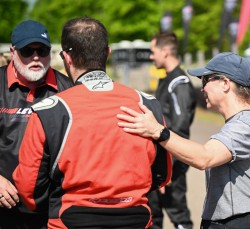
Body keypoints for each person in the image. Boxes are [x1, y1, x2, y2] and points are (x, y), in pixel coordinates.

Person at [13, 17, 172, 229]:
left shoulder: (48, 111)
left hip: (70, 220)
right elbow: (162, 174)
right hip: (136, 218)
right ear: (107, 53)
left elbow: (29, 189)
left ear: (66, 58)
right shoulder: (148, 103)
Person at [117, 52, 250, 229]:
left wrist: (157, 131)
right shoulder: (239, 122)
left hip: (240, 222)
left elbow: (205, 157)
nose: (202, 88)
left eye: (206, 80)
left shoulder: (246, 124)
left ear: (225, 83)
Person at [0, 20, 73, 228]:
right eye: (27, 51)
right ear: (13, 52)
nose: (35, 57)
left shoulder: (67, 90)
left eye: (42, 50)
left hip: (51, 209)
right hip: (4, 207)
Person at [149, 31, 196, 229]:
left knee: (178, 215)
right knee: (153, 215)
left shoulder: (179, 83)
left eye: (153, 51)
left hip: (171, 164)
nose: (151, 56)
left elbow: (181, 128)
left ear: (165, 51)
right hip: (157, 162)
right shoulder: (166, 80)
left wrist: (168, 167)